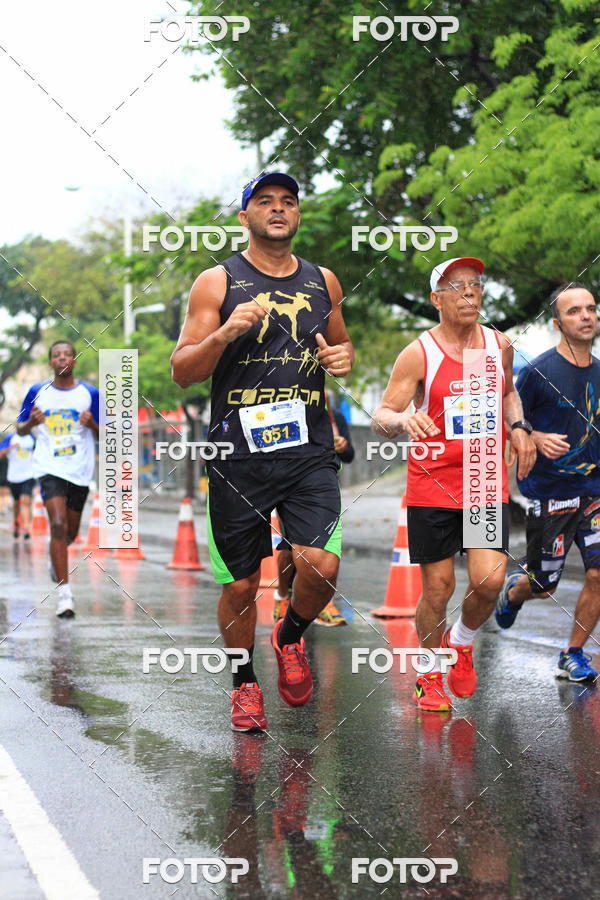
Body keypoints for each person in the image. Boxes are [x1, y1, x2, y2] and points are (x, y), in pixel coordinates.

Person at [171, 172, 353, 732]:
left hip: (308, 449)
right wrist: (223, 335)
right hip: (237, 455)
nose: (278, 209)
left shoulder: (324, 281)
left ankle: (290, 635)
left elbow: (340, 346)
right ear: (244, 216)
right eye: (265, 201)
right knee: (242, 585)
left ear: (298, 216)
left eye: (288, 202)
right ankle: (243, 683)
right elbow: (182, 371)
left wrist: (342, 362)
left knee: (320, 565)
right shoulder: (216, 281)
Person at [372, 257, 536, 712]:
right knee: (439, 587)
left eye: (475, 286)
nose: (469, 295)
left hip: (484, 479)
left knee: (489, 580)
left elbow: (506, 392)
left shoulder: (497, 344)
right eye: (456, 287)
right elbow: (382, 415)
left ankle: (460, 643)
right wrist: (404, 418)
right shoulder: (419, 352)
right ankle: (427, 671)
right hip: (433, 483)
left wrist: (519, 425)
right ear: (436, 299)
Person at [495, 283, 600, 683]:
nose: (586, 316)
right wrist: (533, 437)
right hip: (549, 492)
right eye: (574, 311)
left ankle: (573, 653)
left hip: (594, 491)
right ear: (558, 323)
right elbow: (510, 419)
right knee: (543, 584)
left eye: (590, 309)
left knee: (597, 574)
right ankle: (515, 590)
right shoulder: (538, 373)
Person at [17, 341, 99, 618]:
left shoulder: (90, 394)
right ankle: (65, 595)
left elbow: (107, 436)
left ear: (74, 361)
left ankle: (57, 561)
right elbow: (20, 427)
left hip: (79, 469)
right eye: (56, 355)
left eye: (67, 354)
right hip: (48, 466)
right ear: (50, 362)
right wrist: (31, 424)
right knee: (58, 524)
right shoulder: (36, 392)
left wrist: (92, 425)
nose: (62, 358)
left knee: (70, 533)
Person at [273, 401, 355, 626]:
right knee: (290, 545)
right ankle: (282, 596)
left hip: (323, 487)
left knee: (324, 547)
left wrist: (342, 446)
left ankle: (320, 602)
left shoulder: (336, 415)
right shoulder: (290, 406)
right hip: (291, 483)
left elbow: (349, 455)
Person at [0, 432, 36, 538]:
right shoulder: (11, 437)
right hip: (14, 476)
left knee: (26, 500)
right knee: (16, 503)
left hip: (29, 475)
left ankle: (26, 528)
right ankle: (16, 523)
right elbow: (1, 454)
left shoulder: (32, 437)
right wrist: (11, 448)